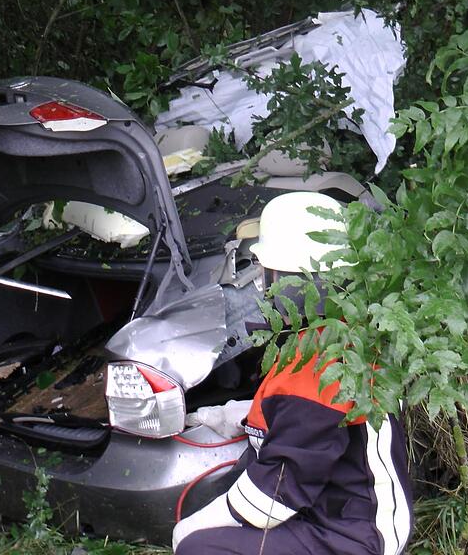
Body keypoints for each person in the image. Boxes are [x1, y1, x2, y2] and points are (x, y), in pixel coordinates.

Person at [172, 192, 413, 555]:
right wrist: (235, 415)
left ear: (285, 279)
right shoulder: (339, 331)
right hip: (340, 510)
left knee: (199, 547)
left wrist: (192, 529)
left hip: (351, 536)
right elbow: (300, 424)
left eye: (266, 275)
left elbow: (276, 494)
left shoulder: (321, 367)